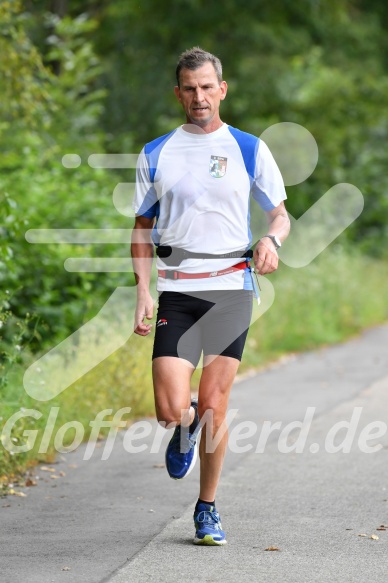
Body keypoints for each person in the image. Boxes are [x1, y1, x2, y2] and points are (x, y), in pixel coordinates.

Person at [131, 47, 290, 545]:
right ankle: (185, 426)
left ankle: (207, 508)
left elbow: (279, 214)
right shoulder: (156, 152)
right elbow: (140, 229)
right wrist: (141, 291)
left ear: (222, 89)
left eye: (207, 87)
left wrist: (271, 240)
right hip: (176, 290)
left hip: (231, 288)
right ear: (177, 93)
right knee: (169, 408)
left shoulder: (248, 148)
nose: (199, 97)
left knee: (216, 402)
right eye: (189, 88)